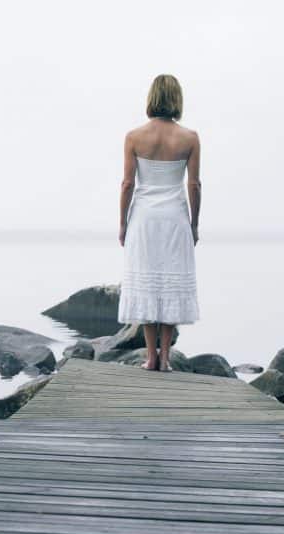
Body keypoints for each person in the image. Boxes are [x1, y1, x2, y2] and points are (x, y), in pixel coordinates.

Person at [117, 74, 201, 372]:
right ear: (177, 99)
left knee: (146, 280)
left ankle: (149, 356)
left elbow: (127, 183)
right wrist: (194, 224)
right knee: (170, 282)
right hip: (175, 217)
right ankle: (165, 359)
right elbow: (194, 185)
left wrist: (123, 223)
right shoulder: (189, 138)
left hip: (144, 218)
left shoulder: (134, 137)